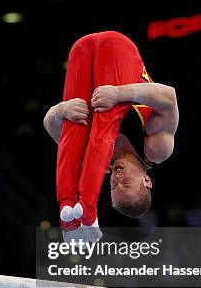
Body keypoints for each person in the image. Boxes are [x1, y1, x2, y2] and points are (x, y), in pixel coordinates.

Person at [43, 31, 179, 240]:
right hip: (119, 50)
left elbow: (53, 128)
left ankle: (71, 212)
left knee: (76, 129)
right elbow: (169, 98)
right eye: (126, 183)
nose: (117, 178)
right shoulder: (156, 149)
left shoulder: (94, 162)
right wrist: (121, 94)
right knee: (106, 120)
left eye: (114, 185)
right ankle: (87, 211)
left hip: (81, 50)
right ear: (147, 180)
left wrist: (61, 110)